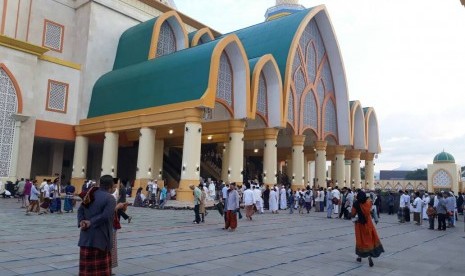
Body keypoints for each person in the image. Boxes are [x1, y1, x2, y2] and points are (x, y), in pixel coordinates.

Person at [77, 175, 117, 276]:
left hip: (86, 238)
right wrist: (91, 222)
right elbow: (106, 216)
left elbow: (80, 210)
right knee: (100, 272)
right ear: (111, 186)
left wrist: (81, 221)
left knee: (86, 272)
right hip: (101, 241)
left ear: (100, 183)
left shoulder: (90, 194)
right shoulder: (110, 198)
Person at [351, 190, 384, 267]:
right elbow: (372, 209)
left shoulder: (356, 203)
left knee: (360, 240)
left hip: (359, 225)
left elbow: (353, 213)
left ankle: (359, 257)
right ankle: (369, 256)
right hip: (368, 224)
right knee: (369, 239)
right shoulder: (368, 202)